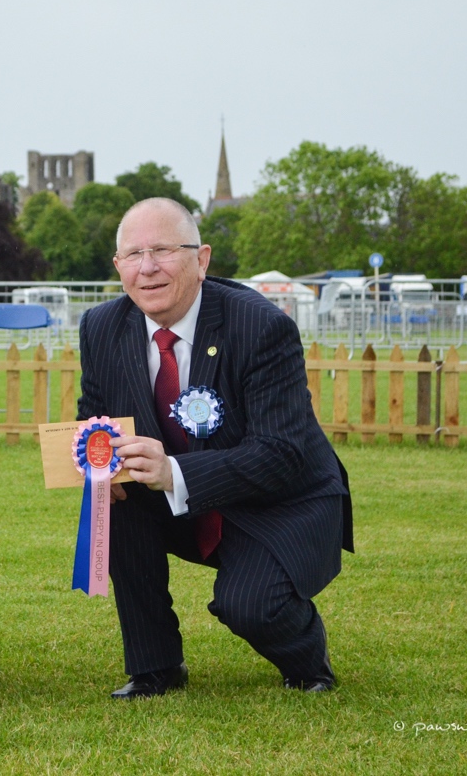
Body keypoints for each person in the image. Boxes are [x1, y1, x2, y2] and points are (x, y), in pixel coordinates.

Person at [77, 197, 353, 698]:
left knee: (247, 606)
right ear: (118, 267)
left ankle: (309, 662)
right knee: (113, 502)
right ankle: (154, 668)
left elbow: (282, 452)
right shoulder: (101, 326)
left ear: (201, 259)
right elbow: (94, 416)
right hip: (179, 499)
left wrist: (173, 473)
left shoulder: (262, 326)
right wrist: (102, 470)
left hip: (280, 501)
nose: (148, 267)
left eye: (163, 250)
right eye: (133, 255)